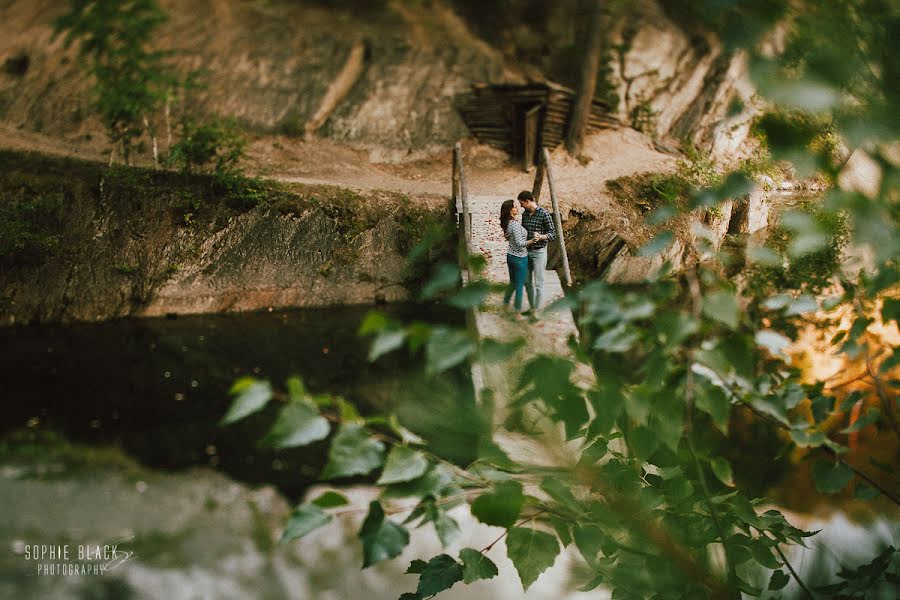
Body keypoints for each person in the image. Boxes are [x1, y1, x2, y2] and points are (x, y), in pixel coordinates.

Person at [517, 190, 555, 312]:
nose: (521, 206)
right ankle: (533, 307)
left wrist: (541, 236)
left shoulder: (544, 214)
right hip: (526, 252)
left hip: (539, 253)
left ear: (528, 201)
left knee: (539, 283)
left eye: (522, 203)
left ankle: (537, 311)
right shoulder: (525, 215)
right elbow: (524, 232)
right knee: (527, 282)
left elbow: (553, 234)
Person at [499, 199, 535, 317]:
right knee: (519, 285)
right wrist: (532, 241)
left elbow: (509, 237)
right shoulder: (514, 225)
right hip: (520, 258)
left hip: (510, 256)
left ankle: (505, 304)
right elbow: (520, 243)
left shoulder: (508, 223)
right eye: (514, 207)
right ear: (510, 211)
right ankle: (517, 312)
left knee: (513, 283)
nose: (517, 208)